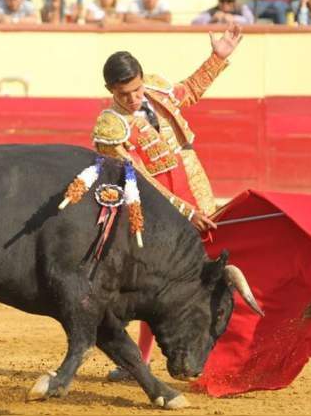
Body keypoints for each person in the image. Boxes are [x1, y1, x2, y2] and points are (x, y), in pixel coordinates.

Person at [92, 25, 243, 381]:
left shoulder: (157, 89)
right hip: (156, 210)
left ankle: (219, 353)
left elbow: (188, 91)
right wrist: (185, 211)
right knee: (156, 284)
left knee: (209, 277)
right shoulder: (111, 125)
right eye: (123, 93)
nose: (132, 98)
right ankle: (138, 363)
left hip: (195, 187)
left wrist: (218, 57)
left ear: (143, 79)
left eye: (136, 89)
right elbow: (139, 178)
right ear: (110, 91)